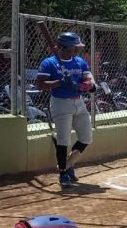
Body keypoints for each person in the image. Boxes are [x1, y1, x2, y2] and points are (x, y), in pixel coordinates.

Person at [34, 33, 95, 188]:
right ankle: (63, 175)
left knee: (86, 138)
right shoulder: (49, 63)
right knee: (63, 140)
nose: (77, 51)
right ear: (67, 47)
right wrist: (59, 82)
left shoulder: (79, 61)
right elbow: (40, 85)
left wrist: (87, 84)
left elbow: (88, 78)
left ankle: (68, 165)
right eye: (75, 48)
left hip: (78, 101)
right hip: (60, 102)